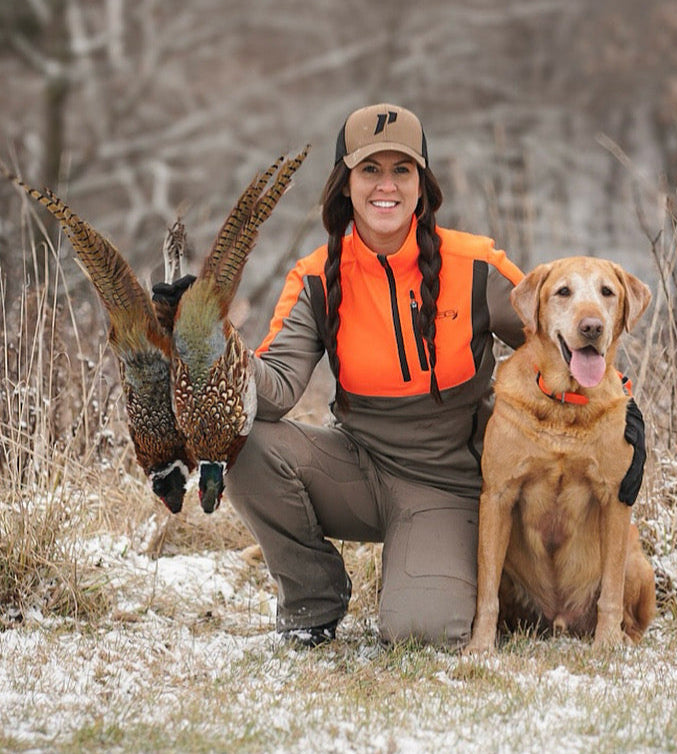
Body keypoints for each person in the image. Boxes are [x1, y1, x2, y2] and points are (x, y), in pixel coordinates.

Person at [161, 103, 645, 649]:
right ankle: (313, 597)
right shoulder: (315, 278)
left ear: (422, 185)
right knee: (243, 442)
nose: (385, 185)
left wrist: (622, 411)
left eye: (402, 170)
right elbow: (271, 393)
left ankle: (420, 571)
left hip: (444, 486)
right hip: (355, 468)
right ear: (346, 184)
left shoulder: (476, 266)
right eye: (370, 169)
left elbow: (560, 339)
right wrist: (209, 342)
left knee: (422, 630)